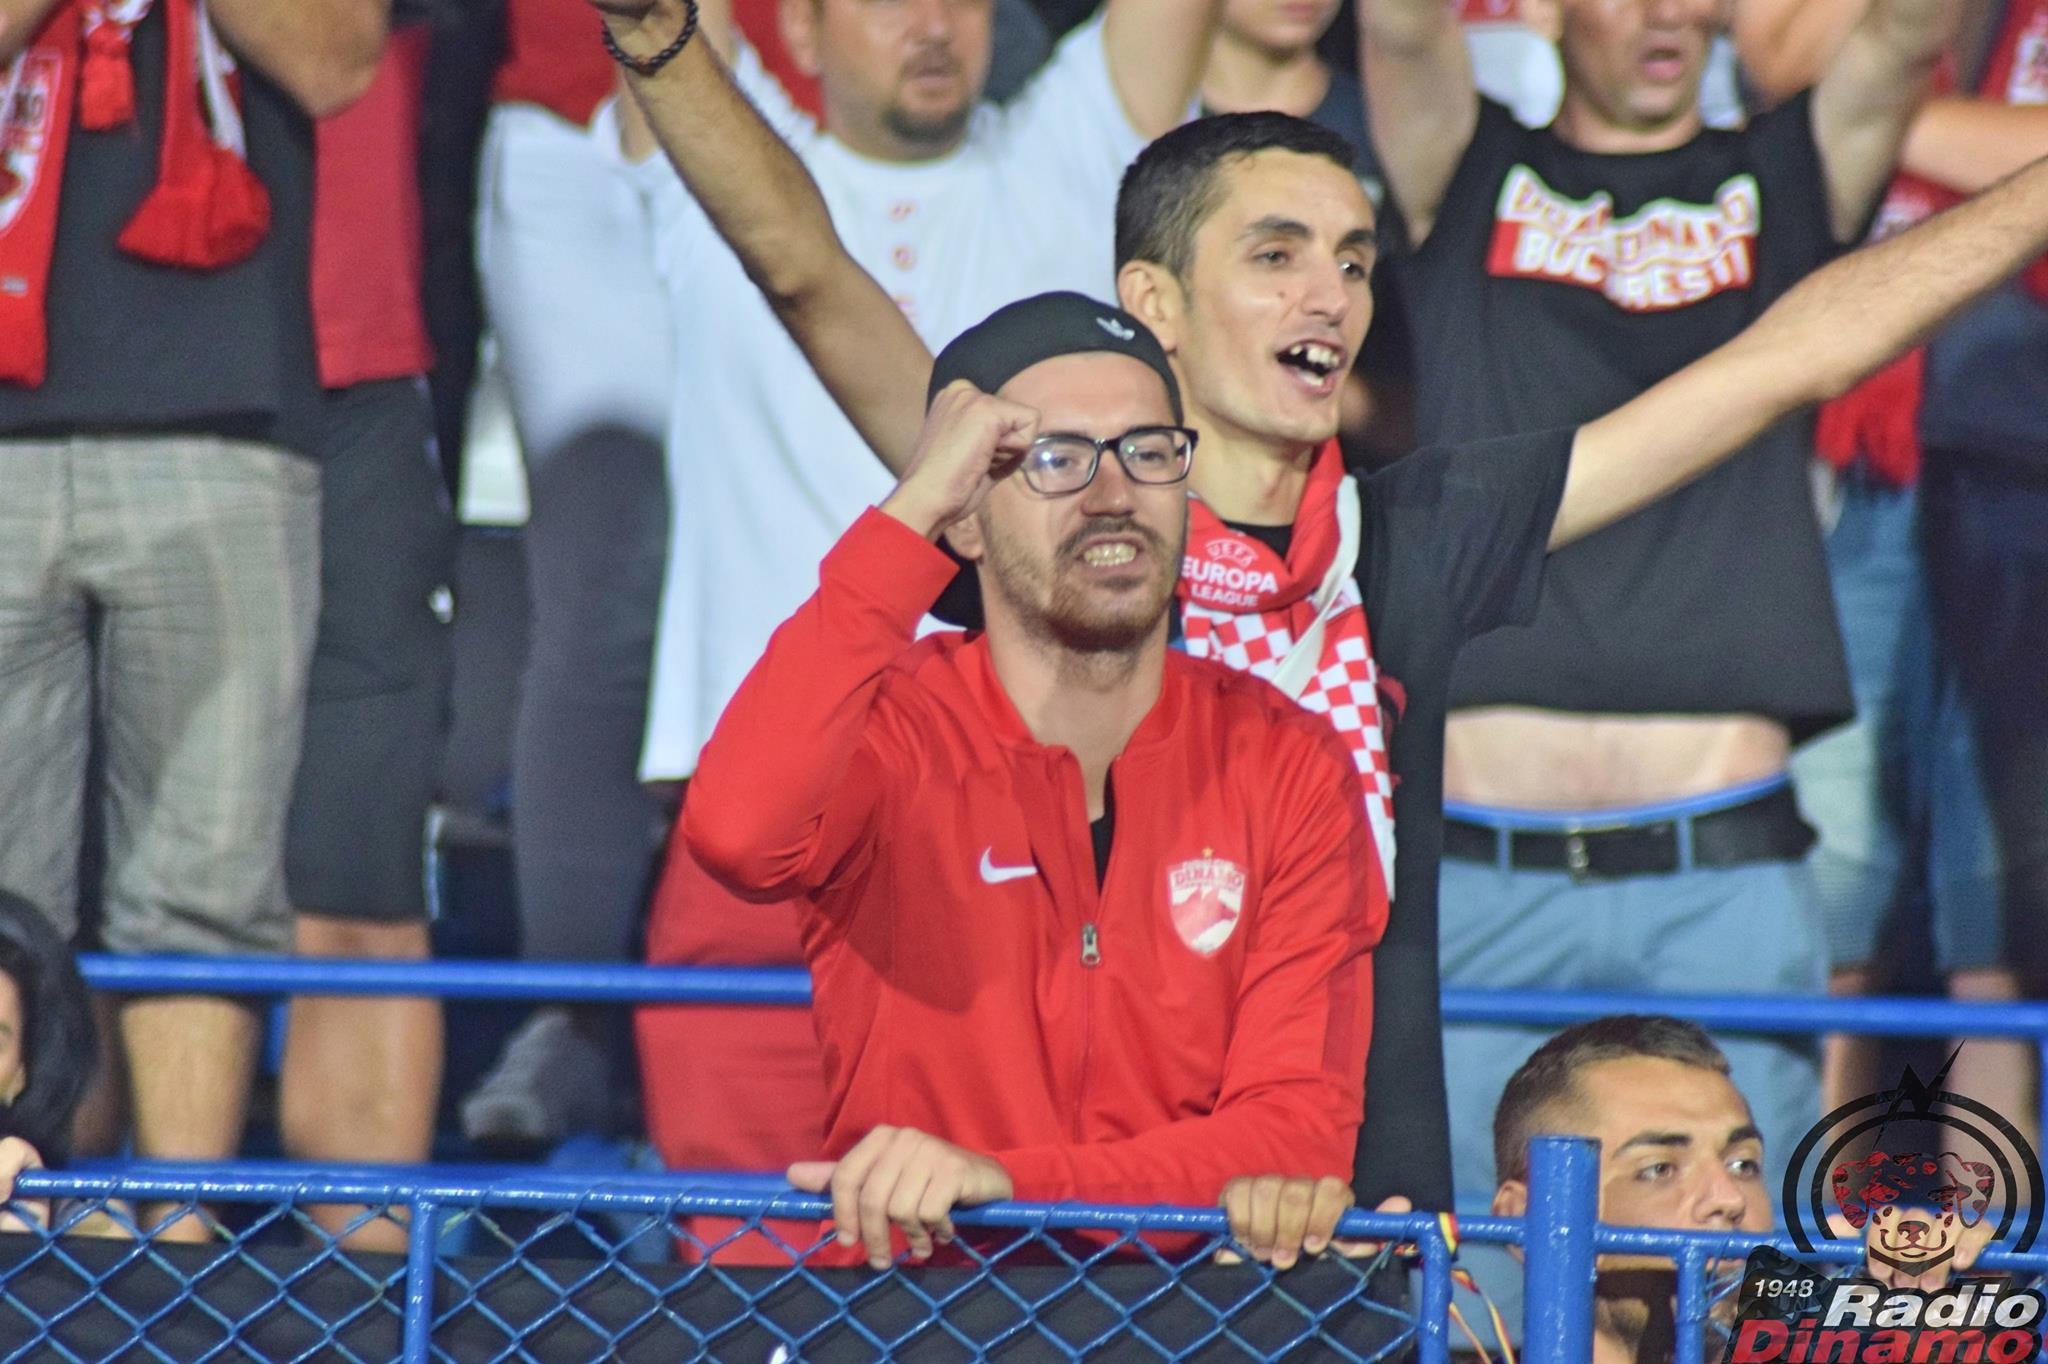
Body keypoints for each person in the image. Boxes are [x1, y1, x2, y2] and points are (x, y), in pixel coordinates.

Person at [599, 0, 2048, 1217]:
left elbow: (1785, 359)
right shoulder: (1056, 511)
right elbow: (805, 270)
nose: (1333, 294)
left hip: (1342, 1213)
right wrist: (659, 41)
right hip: (1056, 1225)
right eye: (1277, 253)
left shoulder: (1407, 535)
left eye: (1355, 259)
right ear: (1154, 302)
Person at [609, 0, 1220, 1225]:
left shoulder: (1068, 148)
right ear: (795, 25)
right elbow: (784, 244)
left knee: (974, 1268)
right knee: (744, 1284)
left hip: (998, 818)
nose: (934, 24)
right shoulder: (730, 153)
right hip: (754, 803)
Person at [1357, 0, 1956, 1201]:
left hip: (1720, 874)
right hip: (1475, 879)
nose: (1667, 14)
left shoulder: (1786, 171)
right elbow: (1402, 28)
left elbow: (1902, 35)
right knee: (1463, 1272)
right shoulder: (1465, 164)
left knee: (1736, 1270)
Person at [682, 292, 1387, 1268]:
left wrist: (1010, 1184)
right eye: (1055, 459)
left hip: (1188, 1313)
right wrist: (908, 515)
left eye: (1148, 451)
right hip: (917, 1306)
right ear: (964, 520)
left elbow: (1294, 1134)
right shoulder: (887, 728)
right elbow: (738, 834)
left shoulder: (1286, 758)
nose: (1112, 494)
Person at [0, 0, 382, 1239]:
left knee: (205, 881)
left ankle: (177, 1249)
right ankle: (16, 1218)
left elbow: (339, 60)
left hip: (227, 416)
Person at [1737, 0, 2048, 1144]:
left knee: (1997, 892)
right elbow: (1774, 56)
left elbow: (1815, 105)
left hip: (2018, 470)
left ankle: (1990, 1225)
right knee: (1829, 876)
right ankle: (1803, 1223)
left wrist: (1875, 109)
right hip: (1851, 465)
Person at [457, 0, 680, 1146]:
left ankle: (797, 1004)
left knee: (802, 563)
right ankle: (570, 1017)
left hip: (818, 108)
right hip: (576, 107)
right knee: (604, 571)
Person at [278, 18, 454, 1253]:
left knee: (359, 880)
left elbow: (337, 50)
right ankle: (91, 1290)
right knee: (68, 905)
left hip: (352, 370)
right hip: (72, 383)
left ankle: (363, 1309)